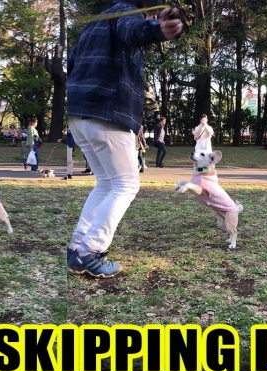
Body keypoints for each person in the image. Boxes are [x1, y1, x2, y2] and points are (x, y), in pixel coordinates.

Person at [65, 0, 183, 278]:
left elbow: (71, 62)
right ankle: (91, 251)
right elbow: (134, 29)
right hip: (106, 111)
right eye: (152, 13)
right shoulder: (125, 13)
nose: (153, 16)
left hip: (79, 114)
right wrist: (157, 28)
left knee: (106, 183)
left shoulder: (92, 25)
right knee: (126, 184)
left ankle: (77, 248)